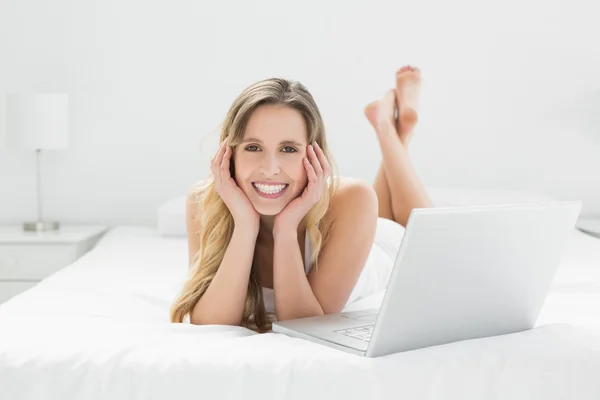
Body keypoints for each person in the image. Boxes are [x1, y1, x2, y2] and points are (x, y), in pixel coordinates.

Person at [170, 66, 432, 332]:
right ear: (229, 153)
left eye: (288, 149)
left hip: (386, 246)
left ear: (313, 154)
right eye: (253, 147)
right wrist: (245, 225)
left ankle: (389, 132)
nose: (270, 168)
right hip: (358, 229)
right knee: (388, 210)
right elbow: (210, 322)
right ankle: (398, 131)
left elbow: (306, 325)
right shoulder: (203, 200)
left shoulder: (353, 198)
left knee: (425, 231)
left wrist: (285, 230)